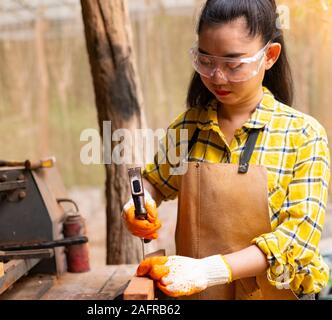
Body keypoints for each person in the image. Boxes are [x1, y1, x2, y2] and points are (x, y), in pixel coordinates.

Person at [122, 0, 330, 300]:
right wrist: (139, 204)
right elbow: (156, 181)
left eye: (234, 64)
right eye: (207, 61)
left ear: (269, 56)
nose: (217, 77)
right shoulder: (188, 128)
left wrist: (208, 271)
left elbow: (298, 238)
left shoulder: (303, 135)